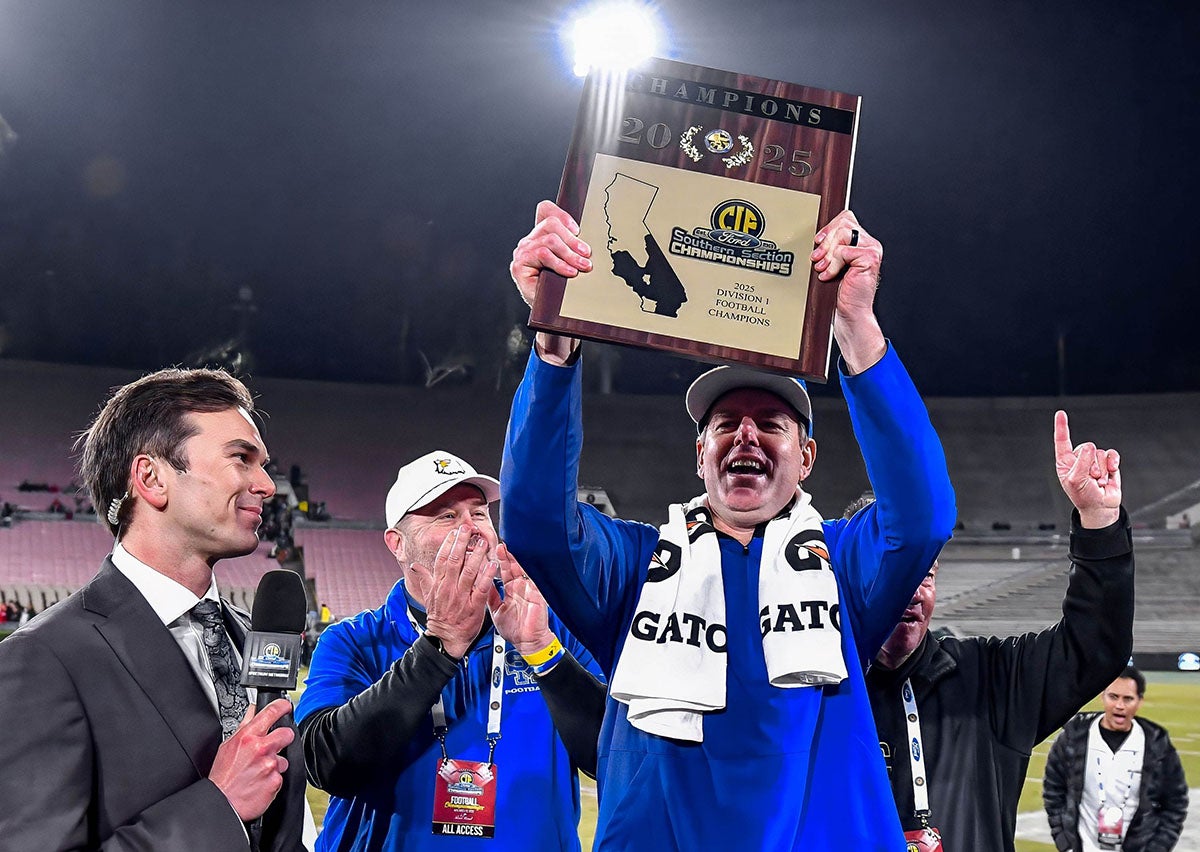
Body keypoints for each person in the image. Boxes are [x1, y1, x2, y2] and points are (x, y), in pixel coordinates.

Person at [500, 201, 957, 850]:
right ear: (700, 455)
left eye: (770, 423)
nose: (745, 432)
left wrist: (854, 322)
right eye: (724, 423)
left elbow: (923, 517)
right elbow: (536, 524)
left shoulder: (845, 565)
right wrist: (554, 342)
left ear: (805, 458)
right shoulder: (636, 566)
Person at [0, 367, 306, 851]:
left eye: (263, 464)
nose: (267, 484)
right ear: (152, 478)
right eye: (241, 459)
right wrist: (219, 806)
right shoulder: (44, 659)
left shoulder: (254, 639)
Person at [296, 450, 606, 850]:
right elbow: (326, 765)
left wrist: (542, 652)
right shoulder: (354, 641)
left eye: (479, 513)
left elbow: (611, 757)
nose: (472, 528)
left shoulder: (548, 627)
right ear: (398, 544)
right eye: (446, 516)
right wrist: (438, 647)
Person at [861, 410, 1134, 852]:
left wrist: (1099, 523)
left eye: (925, 576)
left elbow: (1095, 643)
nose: (912, 593)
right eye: (892, 575)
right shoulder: (816, 683)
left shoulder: (989, 677)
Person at [1044, 667, 1189, 851]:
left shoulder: (1156, 744)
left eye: (1128, 699)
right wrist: (1064, 841)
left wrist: (1157, 848)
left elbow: (1175, 803)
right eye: (1113, 696)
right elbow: (1053, 790)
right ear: (1102, 696)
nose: (1119, 705)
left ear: (1139, 701)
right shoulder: (1074, 738)